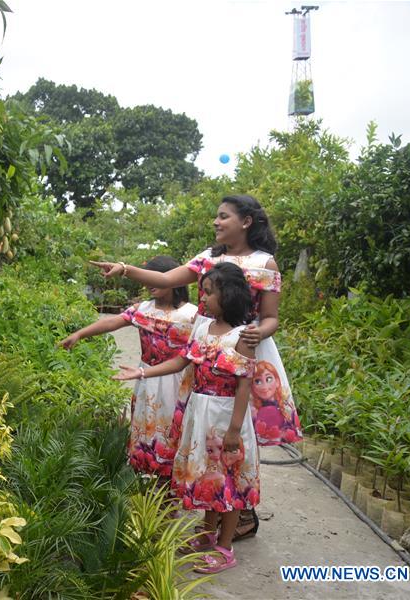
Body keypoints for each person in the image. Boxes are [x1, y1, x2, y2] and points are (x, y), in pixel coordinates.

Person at [90, 194, 302, 540]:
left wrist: (252, 334)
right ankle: (209, 507)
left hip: (244, 353)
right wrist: (125, 269)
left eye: (223, 217)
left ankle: (241, 512)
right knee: (203, 428)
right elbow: (168, 278)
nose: (216, 223)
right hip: (206, 349)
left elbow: (271, 318)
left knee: (239, 433)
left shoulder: (266, 264)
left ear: (246, 222)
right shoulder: (208, 258)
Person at [114, 262, 259, 574]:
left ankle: (225, 547)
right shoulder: (202, 328)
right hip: (200, 412)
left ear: (229, 295)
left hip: (225, 418)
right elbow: (181, 361)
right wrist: (142, 371)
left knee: (228, 482)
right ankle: (207, 536)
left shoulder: (242, 336)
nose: (202, 299)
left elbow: (245, 386)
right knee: (207, 477)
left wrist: (234, 431)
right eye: (202, 292)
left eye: (209, 292)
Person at [60, 257, 198, 479]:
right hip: (145, 379)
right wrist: (80, 333)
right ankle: (148, 480)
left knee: (173, 430)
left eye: (156, 278)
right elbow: (112, 322)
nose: (150, 284)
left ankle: (169, 490)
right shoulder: (142, 309)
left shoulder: (192, 315)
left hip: (177, 381)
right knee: (145, 425)